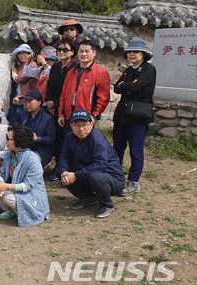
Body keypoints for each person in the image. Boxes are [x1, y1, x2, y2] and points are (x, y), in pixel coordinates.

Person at [59, 109, 125, 219]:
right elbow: (64, 156)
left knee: (96, 177)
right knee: (61, 173)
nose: (81, 129)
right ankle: (88, 197)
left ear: (91, 124)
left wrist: (76, 175)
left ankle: (107, 204)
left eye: (84, 125)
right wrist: (64, 171)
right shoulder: (70, 137)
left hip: (111, 178)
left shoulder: (96, 138)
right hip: (89, 174)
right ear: (71, 125)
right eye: (77, 125)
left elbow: (100, 165)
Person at [112, 38, 156, 196]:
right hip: (122, 115)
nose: (132, 54)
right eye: (129, 52)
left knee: (136, 151)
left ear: (144, 54)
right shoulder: (128, 70)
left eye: (136, 52)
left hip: (137, 116)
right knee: (117, 147)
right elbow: (117, 88)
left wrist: (127, 86)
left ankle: (133, 182)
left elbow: (136, 86)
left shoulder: (149, 70)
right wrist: (128, 86)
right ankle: (116, 176)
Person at [0, 126, 50, 226]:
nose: (6, 141)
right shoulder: (9, 154)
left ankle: (24, 211)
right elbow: (3, 173)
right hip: (15, 189)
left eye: (8, 139)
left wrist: (7, 186)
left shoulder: (32, 159)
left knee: (7, 196)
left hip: (32, 194)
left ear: (18, 141)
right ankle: (14, 210)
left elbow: (28, 186)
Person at [57, 39, 111, 131]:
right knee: (69, 141)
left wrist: (95, 115)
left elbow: (103, 97)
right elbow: (64, 94)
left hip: (86, 116)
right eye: (81, 51)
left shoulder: (100, 72)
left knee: (85, 142)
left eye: (87, 51)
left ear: (94, 53)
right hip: (69, 115)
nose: (84, 54)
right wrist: (61, 114)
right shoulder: (71, 71)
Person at [44, 38, 77, 180]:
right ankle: (58, 164)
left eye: (65, 49)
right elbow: (49, 86)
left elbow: (69, 91)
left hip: (66, 107)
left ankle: (65, 167)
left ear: (72, 52)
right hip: (53, 107)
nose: (62, 52)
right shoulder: (56, 67)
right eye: (60, 49)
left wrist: (56, 103)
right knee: (56, 138)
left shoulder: (75, 68)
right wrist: (49, 101)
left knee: (66, 138)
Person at [19, 89, 56, 167]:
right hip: (23, 148)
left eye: (29, 101)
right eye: (25, 101)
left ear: (39, 102)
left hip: (39, 150)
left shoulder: (47, 118)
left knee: (27, 161)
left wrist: (37, 139)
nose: (26, 104)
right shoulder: (22, 114)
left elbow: (52, 138)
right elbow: (13, 123)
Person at [8, 44, 38, 124]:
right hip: (19, 99)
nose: (22, 56)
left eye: (25, 53)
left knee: (24, 123)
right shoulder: (20, 66)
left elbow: (21, 79)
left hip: (27, 100)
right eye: (20, 54)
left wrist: (14, 72)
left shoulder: (32, 64)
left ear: (30, 54)